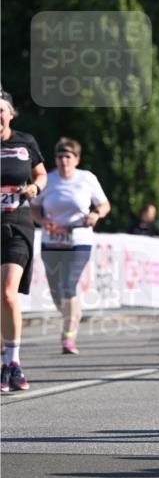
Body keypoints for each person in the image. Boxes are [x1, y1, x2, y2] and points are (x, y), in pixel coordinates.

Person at [31, 138, 110, 354]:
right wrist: (41, 221)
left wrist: (96, 214)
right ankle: (73, 315)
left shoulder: (87, 178)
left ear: (77, 159)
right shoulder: (49, 179)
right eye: (60, 156)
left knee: (68, 284)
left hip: (79, 240)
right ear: (55, 159)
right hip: (52, 240)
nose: (64, 160)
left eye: (68, 156)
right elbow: (34, 207)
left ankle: (68, 335)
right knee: (57, 292)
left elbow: (104, 204)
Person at [1, 90, 47, 391]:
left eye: (0, 110)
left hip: (16, 225)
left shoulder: (25, 142)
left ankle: (13, 362)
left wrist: (35, 188)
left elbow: (41, 175)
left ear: (10, 114)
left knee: (6, 292)